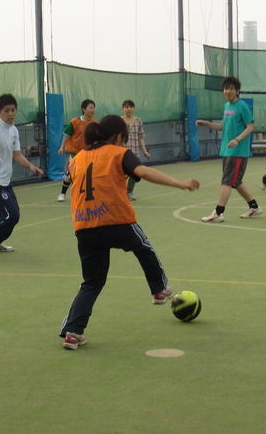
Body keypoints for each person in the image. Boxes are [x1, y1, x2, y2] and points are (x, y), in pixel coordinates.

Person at [59, 115, 199, 350]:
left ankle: (72, 332)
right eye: (124, 138)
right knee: (144, 248)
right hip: (115, 220)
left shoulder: (78, 159)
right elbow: (142, 172)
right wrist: (179, 183)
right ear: (118, 136)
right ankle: (159, 290)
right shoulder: (118, 153)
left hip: (84, 227)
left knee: (91, 283)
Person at [0, 94, 44, 258]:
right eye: (6, 111)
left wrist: (31, 166)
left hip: (4, 182)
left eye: (13, 110)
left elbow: (17, 155)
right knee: (11, 215)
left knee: (14, 216)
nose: (10, 114)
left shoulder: (13, 130)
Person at [196, 76, 262, 222]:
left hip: (237, 151)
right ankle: (254, 207)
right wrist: (206, 123)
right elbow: (223, 126)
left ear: (237, 91)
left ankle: (218, 213)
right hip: (227, 150)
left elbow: (250, 126)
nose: (228, 91)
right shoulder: (227, 106)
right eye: (226, 88)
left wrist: (237, 140)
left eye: (231, 88)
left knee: (227, 181)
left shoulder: (242, 106)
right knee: (235, 181)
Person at [57, 99, 97, 202]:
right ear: (84, 109)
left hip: (89, 154)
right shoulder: (75, 122)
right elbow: (66, 135)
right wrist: (61, 147)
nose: (92, 110)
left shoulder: (95, 123)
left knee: (88, 175)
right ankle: (62, 193)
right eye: (90, 108)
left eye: (93, 108)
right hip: (75, 154)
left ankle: (86, 194)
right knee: (69, 176)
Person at [121, 99, 150, 200]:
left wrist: (145, 151)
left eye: (131, 107)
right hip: (122, 152)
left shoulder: (138, 121)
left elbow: (140, 137)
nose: (128, 109)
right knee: (121, 174)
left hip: (135, 152)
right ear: (123, 109)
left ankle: (129, 192)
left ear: (134, 108)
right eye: (126, 107)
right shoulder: (120, 121)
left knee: (135, 173)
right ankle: (120, 193)